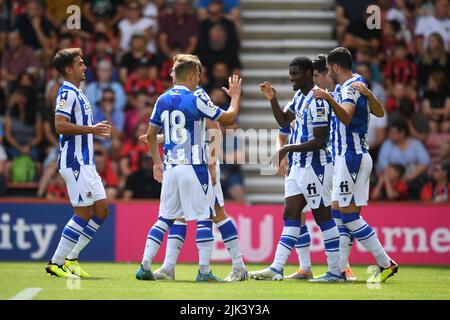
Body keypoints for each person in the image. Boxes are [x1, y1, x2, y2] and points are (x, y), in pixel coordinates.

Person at [135, 54, 242, 282]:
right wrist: (235, 98)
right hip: (195, 166)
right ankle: (197, 270)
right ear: (192, 74)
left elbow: (210, 131)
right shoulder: (197, 97)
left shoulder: (163, 99)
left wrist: (158, 157)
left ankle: (147, 264)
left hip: (176, 165)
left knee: (172, 216)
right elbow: (221, 121)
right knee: (204, 215)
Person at [248, 57, 343, 282]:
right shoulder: (299, 97)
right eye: (291, 73)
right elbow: (283, 119)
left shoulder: (318, 100)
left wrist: (288, 148)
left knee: (322, 216)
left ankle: (336, 271)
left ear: (309, 73)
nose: (292, 77)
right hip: (298, 166)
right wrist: (273, 99)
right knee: (290, 214)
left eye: (296, 73)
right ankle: (277, 267)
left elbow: (319, 140)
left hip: (316, 166)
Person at [313, 47, 398, 283]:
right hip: (350, 155)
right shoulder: (349, 85)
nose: (328, 73)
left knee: (348, 217)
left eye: (329, 68)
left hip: (351, 155)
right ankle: (338, 270)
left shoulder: (350, 87)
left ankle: (384, 262)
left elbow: (348, 116)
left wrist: (329, 98)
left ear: (335, 67)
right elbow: (379, 113)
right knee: (339, 215)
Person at [45, 48, 112, 278]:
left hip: (87, 163)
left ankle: (72, 258)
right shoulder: (66, 93)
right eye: (80, 63)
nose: (85, 67)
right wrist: (91, 130)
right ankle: (56, 263)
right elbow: (60, 125)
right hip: (74, 162)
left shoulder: (79, 92)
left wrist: (91, 133)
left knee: (102, 211)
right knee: (83, 213)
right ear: (68, 69)